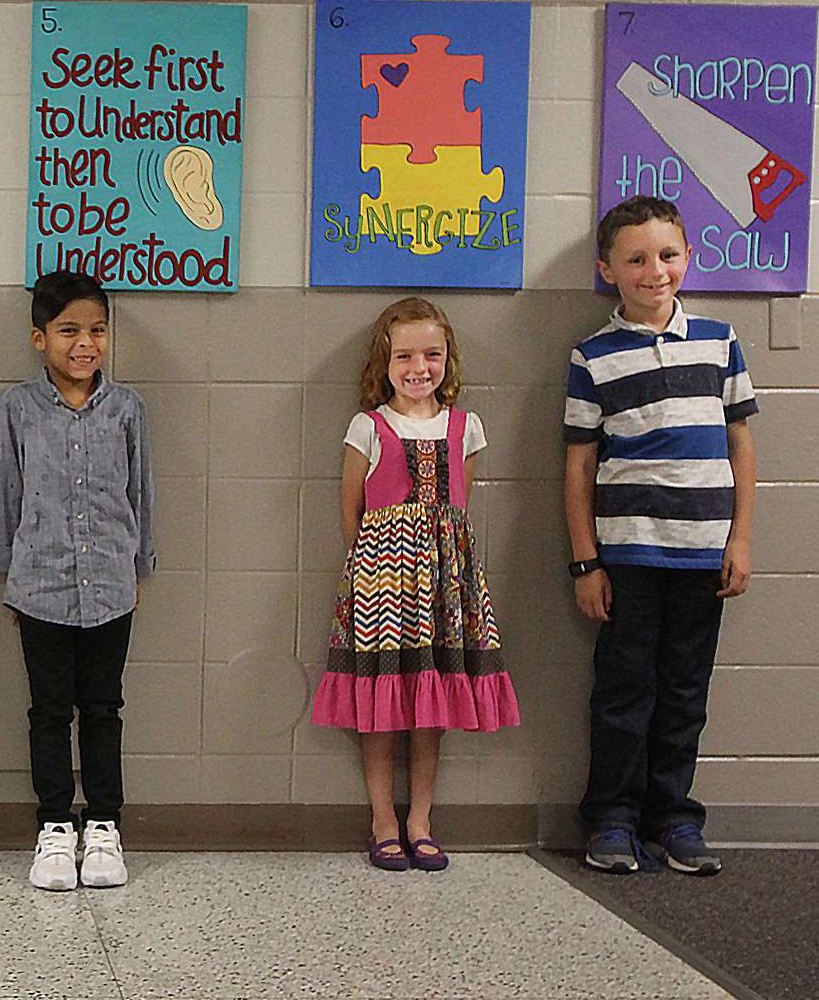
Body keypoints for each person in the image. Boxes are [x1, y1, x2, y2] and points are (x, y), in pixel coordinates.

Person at [566, 196, 756, 877]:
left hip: (703, 550)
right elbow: (580, 464)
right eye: (637, 259)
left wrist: (740, 540)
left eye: (667, 254)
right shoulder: (593, 357)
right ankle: (611, 818)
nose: (655, 270)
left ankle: (672, 816)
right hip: (630, 552)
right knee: (624, 688)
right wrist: (585, 562)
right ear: (607, 270)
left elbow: (741, 444)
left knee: (684, 689)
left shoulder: (719, 341)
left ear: (687, 258)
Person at [311, 296, 519, 872]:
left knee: (430, 707)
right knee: (381, 706)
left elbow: (457, 509)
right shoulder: (368, 426)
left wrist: (444, 569)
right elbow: (351, 509)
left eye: (431, 354)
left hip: (444, 583)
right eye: (404, 355)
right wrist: (369, 571)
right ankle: (383, 819)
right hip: (380, 579)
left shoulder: (465, 427)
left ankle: (420, 819)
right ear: (386, 360)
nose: (418, 367)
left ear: (449, 359)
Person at [0, 270, 154, 891]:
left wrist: (139, 565)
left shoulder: (128, 408)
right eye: (69, 331)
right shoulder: (17, 408)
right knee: (49, 710)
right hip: (39, 585)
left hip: (112, 584)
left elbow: (143, 492)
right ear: (39, 338)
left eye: (97, 330)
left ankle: (104, 824)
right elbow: (5, 492)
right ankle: (56, 826)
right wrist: (9, 572)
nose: (85, 343)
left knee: (104, 706)